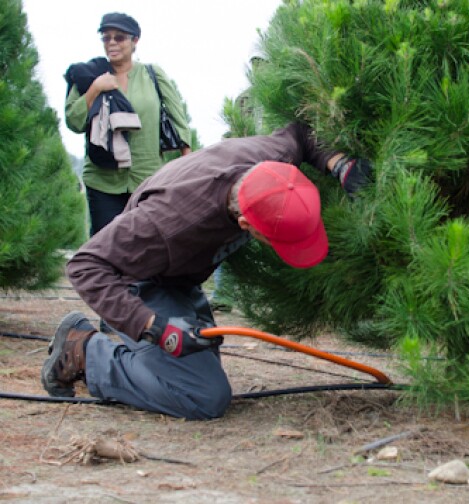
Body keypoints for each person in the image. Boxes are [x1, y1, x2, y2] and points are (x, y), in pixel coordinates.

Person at [41, 123, 372, 420]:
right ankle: (84, 350)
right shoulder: (165, 222)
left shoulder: (271, 160)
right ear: (245, 224)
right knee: (203, 396)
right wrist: (154, 326)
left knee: (198, 359)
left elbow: (302, 131)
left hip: (178, 280)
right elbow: (85, 265)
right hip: (138, 283)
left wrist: (340, 164)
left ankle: (141, 343)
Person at [64, 12, 191, 238]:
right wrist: (95, 89)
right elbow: (74, 121)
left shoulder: (152, 74)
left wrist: (188, 164)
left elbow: (178, 118)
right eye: (106, 38)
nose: (112, 43)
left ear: (135, 41)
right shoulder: (89, 73)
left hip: (147, 180)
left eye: (119, 37)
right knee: (106, 248)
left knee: (146, 246)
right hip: (103, 180)